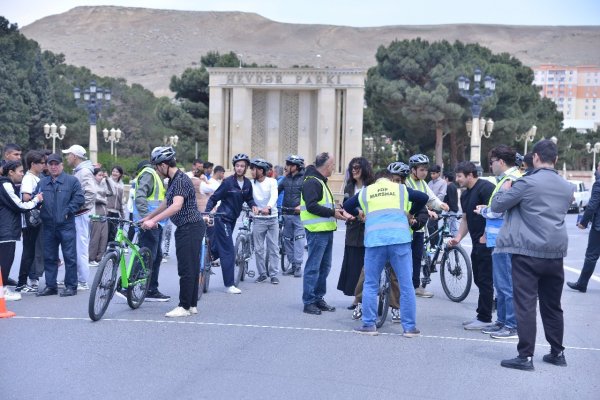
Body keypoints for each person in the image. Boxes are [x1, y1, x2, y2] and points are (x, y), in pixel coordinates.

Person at [491, 139, 573, 371]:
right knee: (552, 304)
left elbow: (498, 206)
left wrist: (505, 190)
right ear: (555, 159)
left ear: (535, 157)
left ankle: (525, 356)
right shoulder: (567, 187)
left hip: (527, 252)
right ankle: (557, 353)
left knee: (526, 303)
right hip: (555, 253)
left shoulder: (526, 183)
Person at [344, 168, 428, 336]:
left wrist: (359, 213)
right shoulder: (401, 189)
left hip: (375, 241)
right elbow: (423, 198)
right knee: (406, 285)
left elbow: (347, 205)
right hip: (400, 240)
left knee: (370, 283)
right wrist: (410, 213)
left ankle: (369, 325)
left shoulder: (367, 191)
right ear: (390, 179)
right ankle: (409, 328)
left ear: (376, 180)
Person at [141, 147, 206, 317]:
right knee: (191, 267)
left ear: (164, 165)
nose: (156, 170)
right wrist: (149, 216)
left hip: (190, 227)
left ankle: (183, 306)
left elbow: (176, 205)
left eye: (157, 166)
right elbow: (166, 202)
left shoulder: (180, 180)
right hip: (190, 227)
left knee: (186, 268)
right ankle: (191, 305)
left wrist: (153, 221)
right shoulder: (174, 180)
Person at [474, 145, 522, 340]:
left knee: (506, 284)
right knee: (501, 284)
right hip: (500, 238)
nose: (490, 166)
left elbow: (498, 211)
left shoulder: (510, 180)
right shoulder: (506, 179)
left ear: (501, 162)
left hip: (505, 238)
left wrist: (484, 211)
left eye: (492, 162)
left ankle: (511, 325)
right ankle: (502, 321)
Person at [448, 161, 495, 331]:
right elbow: (466, 219)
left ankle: (485, 317)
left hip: (487, 242)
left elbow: (494, 213)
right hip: (477, 242)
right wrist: (458, 237)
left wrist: (485, 236)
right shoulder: (466, 194)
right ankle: (482, 314)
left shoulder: (486, 188)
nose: (457, 179)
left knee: (485, 280)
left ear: (470, 175)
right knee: (479, 279)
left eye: (460, 176)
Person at [300, 152, 347, 315]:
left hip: (325, 230)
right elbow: (312, 206)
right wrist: (333, 213)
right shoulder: (312, 182)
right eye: (333, 165)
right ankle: (309, 301)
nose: (333, 168)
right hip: (316, 231)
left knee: (324, 267)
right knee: (314, 267)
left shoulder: (319, 181)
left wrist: (336, 211)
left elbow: (322, 205)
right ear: (327, 166)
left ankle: (318, 298)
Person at [205, 153, 257, 294]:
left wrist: (253, 206)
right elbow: (214, 198)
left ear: (246, 168)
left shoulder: (247, 184)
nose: (239, 168)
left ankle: (207, 257)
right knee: (228, 249)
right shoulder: (228, 182)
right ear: (234, 167)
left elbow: (249, 198)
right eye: (237, 166)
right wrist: (207, 212)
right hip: (222, 218)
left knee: (219, 248)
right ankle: (229, 284)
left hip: (232, 219)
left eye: (242, 166)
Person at [36, 154, 84, 297]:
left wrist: (68, 210)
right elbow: (36, 198)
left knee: (70, 256)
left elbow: (79, 198)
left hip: (66, 225)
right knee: (49, 257)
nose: (53, 166)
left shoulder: (72, 181)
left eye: (56, 164)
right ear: (47, 166)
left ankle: (71, 286)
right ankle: (51, 286)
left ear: (62, 165)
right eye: (51, 164)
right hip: (48, 225)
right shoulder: (42, 183)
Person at [406, 154, 449, 298]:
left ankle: (416, 286)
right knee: (405, 258)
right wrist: (427, 210)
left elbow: (431, 198)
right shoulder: (406, 183)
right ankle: (401, 285)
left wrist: (440, 205)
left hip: (419, 226)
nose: (425, 172)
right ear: (413, 170)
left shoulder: (423, 183)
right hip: (406, 227)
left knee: (417, 257)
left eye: (426, 169)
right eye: (422, 169)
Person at [0, 161, 43, 301]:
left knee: (5, 259)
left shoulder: (6, 184)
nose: (22, 174)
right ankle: (3, 290)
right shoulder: (5, 184)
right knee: (6, 260)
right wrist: (36, 200)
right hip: (6, 229)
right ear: (11, 172)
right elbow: (19, 205)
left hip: (6, 228)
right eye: (20, 171)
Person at [337, 157, 374, 308]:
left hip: (369, 228)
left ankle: (365, 298)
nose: (354, 170)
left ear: (364, 169)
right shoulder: (349, 187)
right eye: (352, 167)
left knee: (367, 265)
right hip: (353, 230)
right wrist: (350, 214)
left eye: (357, 167)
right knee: (353, 265)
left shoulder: (371, 186)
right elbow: (345, 206)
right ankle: (356, 298)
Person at [133, 155, 171, 302]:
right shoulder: (149, 174)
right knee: (148, 256)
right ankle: (131, 286)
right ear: (161, 165)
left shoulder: (156, 176)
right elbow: (140, 197)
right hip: (149, 223)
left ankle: (151, 289)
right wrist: (147, 219)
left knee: (155, 256)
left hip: (156, 222)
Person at [63, 144, 96, 290]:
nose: (66, 157)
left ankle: (82, 280)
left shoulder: (83, 172)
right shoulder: (81, 171)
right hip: (80, 213)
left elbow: (90, 193)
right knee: (78, 246)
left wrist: (78, 207)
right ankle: (78, 278)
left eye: (68, 154)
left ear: (75, 156)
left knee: (80, 247)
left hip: (80, 214)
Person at [16, 150, 46, 293]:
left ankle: (30, 280)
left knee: (34, 250)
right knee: (30, 251)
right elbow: (26, 197)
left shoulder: (36, 177)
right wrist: (39, 198)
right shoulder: (29, 178)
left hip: (35, 219)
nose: (44, 165)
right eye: (42, 163)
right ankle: (27, 281)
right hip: (31, 220)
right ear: (33, 164)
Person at [567, 161, 600, 292]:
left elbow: (592, 205)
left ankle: (582, 283)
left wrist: (583, 223)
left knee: (591, 256)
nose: (596, 170)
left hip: (598, 227)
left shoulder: (598, 184)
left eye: (598, 167)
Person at [249, 158, 280, 284]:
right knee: (259, 249)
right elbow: (246, 196)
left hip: (272, 218)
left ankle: (273, 274)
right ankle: (262, 274)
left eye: (253, 169)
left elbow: (274, 195)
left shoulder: (272, 182)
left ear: (260, 170)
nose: (251, 171)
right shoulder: (250, 183)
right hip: (258, 219)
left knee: (273, 248)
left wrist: (268, 207)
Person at [279, 154, 306, 277]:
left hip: (299, 215)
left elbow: (310, 197)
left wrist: (302, 207)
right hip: (286, 213)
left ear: (296, 166)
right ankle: (293, 265)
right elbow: (276, 191)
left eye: (289, 164)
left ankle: (298, 265)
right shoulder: (286, 179)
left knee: (299, 239)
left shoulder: (305, 179)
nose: (287, 166)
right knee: (287, 240)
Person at [88, 168, 110, 265]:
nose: (101, 177)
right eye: (99, 175)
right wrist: (103, 200)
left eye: (102, 175)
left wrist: (108, 179)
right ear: (94, 175)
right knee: (95, 238)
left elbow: (112, 192)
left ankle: (99, 258)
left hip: (104, 214)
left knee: (104, 237)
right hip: (95, 214)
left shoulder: (103, 184)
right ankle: (91, 258)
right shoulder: (91, 184)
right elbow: (93, 197)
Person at [427, 164, 447, 247]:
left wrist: (433, 204)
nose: (432, 175)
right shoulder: (429, 183)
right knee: (435, 227)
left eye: (434, 173)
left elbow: (441, 195)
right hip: (429, 207)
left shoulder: (443, 182)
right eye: (431, 173)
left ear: (439, 173)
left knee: (430, 226)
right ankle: (438, 245)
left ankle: (433, 245)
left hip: (438, 207)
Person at [106, 166, 126, 243]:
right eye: (113, 171)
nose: (114, 173)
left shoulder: (121, 185)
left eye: (117, 172)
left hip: (116, 213)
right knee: (105, 233)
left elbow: (122, 201)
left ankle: (110, 251)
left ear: (120, 174)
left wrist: (123, 215)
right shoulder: (107, 181)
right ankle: (103, 252)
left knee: (113, 233)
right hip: (107, 211)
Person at [443, 171, 460, 237]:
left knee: (452, 227)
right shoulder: (453, 186)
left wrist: (448, 209)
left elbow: (450, 199)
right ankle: (455, 240)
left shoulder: (449, 187)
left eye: (444, 178)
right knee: (453, 226)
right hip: (453, 209)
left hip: (451, 210)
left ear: (446, 178)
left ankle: (456, 241)